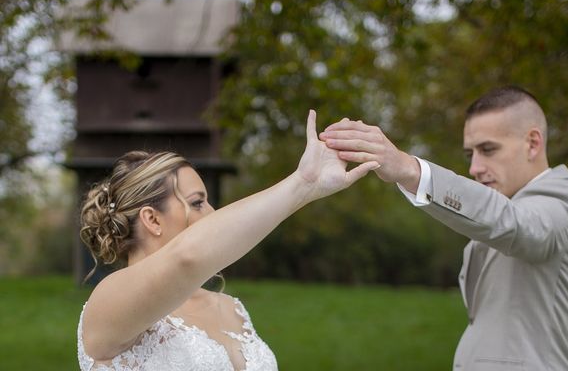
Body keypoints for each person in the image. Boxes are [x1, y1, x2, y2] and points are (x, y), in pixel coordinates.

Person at [320, 86, 568, 370]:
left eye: (488, 149)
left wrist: (411, 170)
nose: (475, 168)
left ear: (532, 143)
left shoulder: (564, 199)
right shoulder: (510, 204)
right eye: (470, 154)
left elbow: (521, 226)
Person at [77, 110, 379, 371]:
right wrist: (303, 184)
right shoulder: (108, 303)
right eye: (197, 203)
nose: (212, 212)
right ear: (152, 219)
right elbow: (187, 257)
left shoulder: (231, 308)